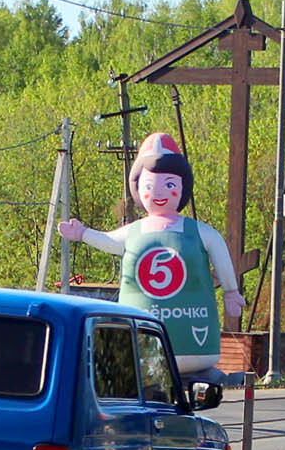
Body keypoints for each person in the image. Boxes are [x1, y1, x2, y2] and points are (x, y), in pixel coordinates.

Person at [56, 133, 243, 382]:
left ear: (183, 187)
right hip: (144, 343)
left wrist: (231, 292)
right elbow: (110, 241)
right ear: (138, 189)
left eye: (169, 185)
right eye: (149, 186)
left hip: (194, 341)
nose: (159, 192)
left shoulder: (199, 232)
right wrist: (83, 233)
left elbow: (221, 256)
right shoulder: (135, 231)